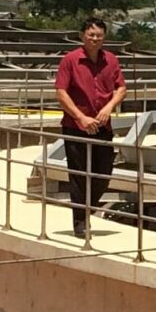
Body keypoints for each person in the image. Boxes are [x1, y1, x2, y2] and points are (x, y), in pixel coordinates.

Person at [54, 14, 126, 238]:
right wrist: (81, 118)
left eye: (99, 36)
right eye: (91, 35)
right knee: (79, 175)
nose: (95, 39)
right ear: (82, 36)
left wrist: (109, 108)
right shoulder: (70, 60)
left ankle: (87, 210)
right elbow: (61, 92)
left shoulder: (111, 60)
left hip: (103, 126)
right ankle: (80, 222)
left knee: (103, 172)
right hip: (76, 127)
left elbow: (121, 88)